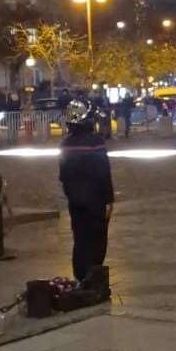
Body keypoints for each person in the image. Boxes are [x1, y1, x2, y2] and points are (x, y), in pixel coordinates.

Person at [59, 102, 114, 281]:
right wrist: (109, 199)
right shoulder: (95, 142)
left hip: (75, 201)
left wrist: (72, 194)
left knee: (80, 239)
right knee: (97, 239)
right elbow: (103, 173)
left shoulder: (65, 144)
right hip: (95, 201)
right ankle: (94, 278)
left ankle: (80, 276)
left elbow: (63, 176)